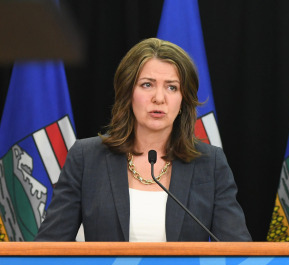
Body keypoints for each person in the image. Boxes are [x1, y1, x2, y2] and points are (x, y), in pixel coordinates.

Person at [36, 38, 250, 242]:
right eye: (147, 85)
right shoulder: (86, 158)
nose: (159, 98)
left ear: (183, 100)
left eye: (172, 87)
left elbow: (239, 253)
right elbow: (48, 248)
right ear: (128, 92)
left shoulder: (210, 163)